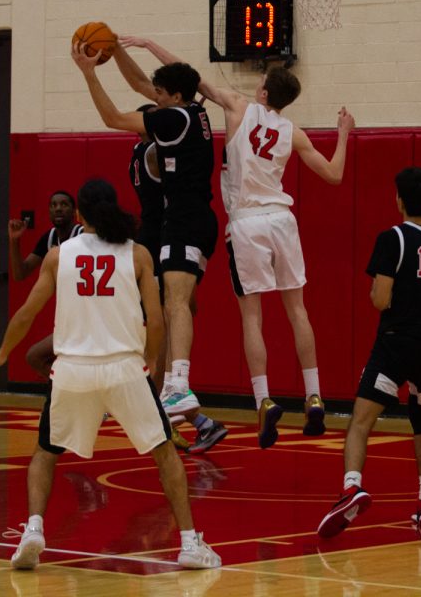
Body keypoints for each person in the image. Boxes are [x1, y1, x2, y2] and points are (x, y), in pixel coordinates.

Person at [118, 35, 355, 448]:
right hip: (283, 218)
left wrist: (150, 44)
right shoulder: (292, 130)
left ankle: (263, 399)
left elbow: (188, 77)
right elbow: (334, 174)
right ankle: (313, 394)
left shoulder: (237, 106)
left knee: (252, 316)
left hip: (246, 222)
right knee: (297, 310)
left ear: (263, 91)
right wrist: (344, 134)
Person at [0, 179, 220, 570]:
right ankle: (189, 544)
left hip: (73, 369)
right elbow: (157, 318)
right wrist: (152, 361)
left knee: (45, 453)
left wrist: (1, 353)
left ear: (79, 215)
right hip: (125, 368)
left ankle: (34, 531)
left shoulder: (59, 255)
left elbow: (26, 314)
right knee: (164, 453)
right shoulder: (139, 254)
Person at [316, 167, 421, 538]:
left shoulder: (393, 238)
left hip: (395, 343)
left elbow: (380, 299)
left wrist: (377, 295)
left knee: (360, 420)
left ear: (399, 199)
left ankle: (352, 486)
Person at [71, 41, 218, 438]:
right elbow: (139, 83)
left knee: (175, 303)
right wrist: (115, 48)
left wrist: (88, 73)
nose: (152, 96)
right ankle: (175, 387)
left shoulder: (174, 121)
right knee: (177, 304)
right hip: (193, 219)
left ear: (174, 96)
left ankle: (179, 386)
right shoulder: (194, 110)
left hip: (185, 219)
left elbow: (113, 118)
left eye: (159, 94)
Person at [128, 103, 228, 455]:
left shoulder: (140, 152)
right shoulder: (155, 151)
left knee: (165, 324)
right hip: (158, 240)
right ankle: (185, 414)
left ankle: (177, 410)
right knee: (161, 326)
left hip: (161, 240)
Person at [8, 190, 83, 378]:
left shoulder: (83, 235)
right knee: (35, 357)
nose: (58, 208)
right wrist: (15, 241)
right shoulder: (48, 239)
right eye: (53, 205)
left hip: (89, 318)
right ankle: (69, 389)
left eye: (64, 204)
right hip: (69, 321)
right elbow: (20, 273)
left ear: (75, 211)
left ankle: (71, 390)